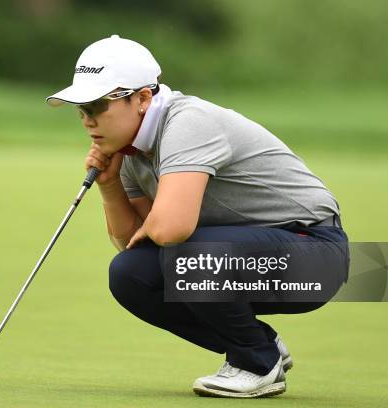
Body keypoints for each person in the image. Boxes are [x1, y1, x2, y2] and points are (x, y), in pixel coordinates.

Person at [46, 35, 349, 398]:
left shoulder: (188, 121)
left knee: (183, 252)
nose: (87, 120)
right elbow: (131, 244)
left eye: (97, 106)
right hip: (243, 258)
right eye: (82, 109)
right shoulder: (128, 151)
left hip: (315, 257)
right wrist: (109, 186)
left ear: (143, 98)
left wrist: (159, 235)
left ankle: (256, 364)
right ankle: (260, 346)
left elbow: (170, 230)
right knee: (129, 274)